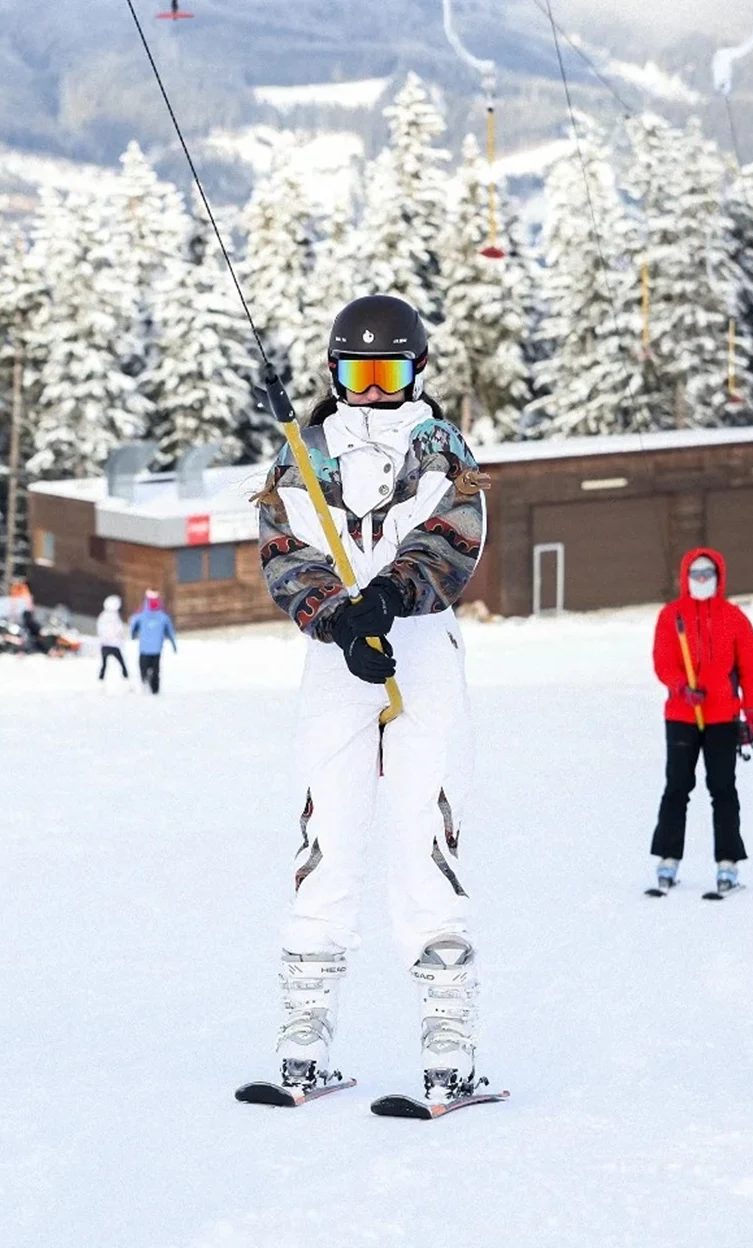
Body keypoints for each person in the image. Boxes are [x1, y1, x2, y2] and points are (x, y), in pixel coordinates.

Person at [247, 294, 491, 1107]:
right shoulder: (303, 448)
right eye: (360, 373)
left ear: (416, 371)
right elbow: (283, 543)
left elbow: (451, 535)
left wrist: (386, 600)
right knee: (327, 829)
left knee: (424, 834)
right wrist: (331, 612)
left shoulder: (441, 447)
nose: (375, 391)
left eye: (391, 373)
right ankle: (303, 1040)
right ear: (335, 373)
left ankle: (448, 1049)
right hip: (335, 657)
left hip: (416, 650)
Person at [648, 549, 753, 898]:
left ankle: (728, 862)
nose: (701, 580)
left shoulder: (734, 618)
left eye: (707, 574)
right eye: (695, 574)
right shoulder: (672, 616)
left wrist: (752, 715)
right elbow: (663, 661)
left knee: (723, 789)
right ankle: (668, 858)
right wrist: (681, 687)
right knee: (677, 788)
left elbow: (750, 671)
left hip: (722, 718)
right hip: (682, 715)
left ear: (718, 576)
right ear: (685, 576)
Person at [128, 589, 176, 693]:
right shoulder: (163, 617)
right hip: (156, 649)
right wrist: (173, 644)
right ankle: (155, 689)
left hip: (144, 648)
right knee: (155, 670)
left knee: (143, 668)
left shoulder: (141, 615)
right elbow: (170, 631)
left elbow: (133, 626)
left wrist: (133, 635)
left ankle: (144, 682)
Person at [95, 595, 128, 683]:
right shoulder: (115, 617)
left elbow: (99, 629)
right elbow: (119, 630)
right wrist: (120, 639)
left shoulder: (102, 616)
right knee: (122, 663)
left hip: (105, 645)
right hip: (114, 645)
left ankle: (101, 679)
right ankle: (126, 678)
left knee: (104, 664)